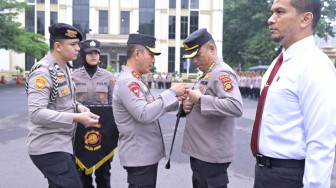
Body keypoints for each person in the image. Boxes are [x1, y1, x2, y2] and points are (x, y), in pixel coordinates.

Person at [250, 0, 336, 187]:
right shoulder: (280, 62)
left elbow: (321, 141)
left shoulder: (314, 66)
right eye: (272, 12)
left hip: (290, 176)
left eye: (280, 12)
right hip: (265, 171)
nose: (270, 19)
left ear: (305, 19)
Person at [26, 23, 100, 188]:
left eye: (78, 45)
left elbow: (64, 101)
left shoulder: (63, 68)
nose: (78, 49)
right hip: (49, 146)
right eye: (73, 44)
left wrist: (78, 106)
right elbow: (36, 113)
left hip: (62, 144)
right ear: (58, 46)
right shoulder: (43, 72)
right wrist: (76, 117)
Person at [112, 33, 188, 188]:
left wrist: (177, 101)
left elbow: (151, 106)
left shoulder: (136, 79)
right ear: (137, 54)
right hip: (139, 156)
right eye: (151, 54)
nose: (153, 60)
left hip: (143, 155)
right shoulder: (128, 82)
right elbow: (144, 113)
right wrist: (172, 93)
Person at [181, 28, 243, 188]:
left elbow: (235, 106)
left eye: (197, 55)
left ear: (212, 49)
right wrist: (188, 104)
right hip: (202, 152)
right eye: (191, 57)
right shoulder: (208, 73)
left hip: (211, 156)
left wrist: (200, 99)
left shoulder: (222, 73)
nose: (194, 61)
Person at [72, 39, 115, 188]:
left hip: (103, 130)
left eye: (96, 52)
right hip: (80, 131)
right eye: (89, 53)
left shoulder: (108, 77)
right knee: (83, 173)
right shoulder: (73, 76)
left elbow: (112, 106)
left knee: (104, 173)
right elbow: (70, 103)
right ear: (83, 55)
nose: (93, 56)